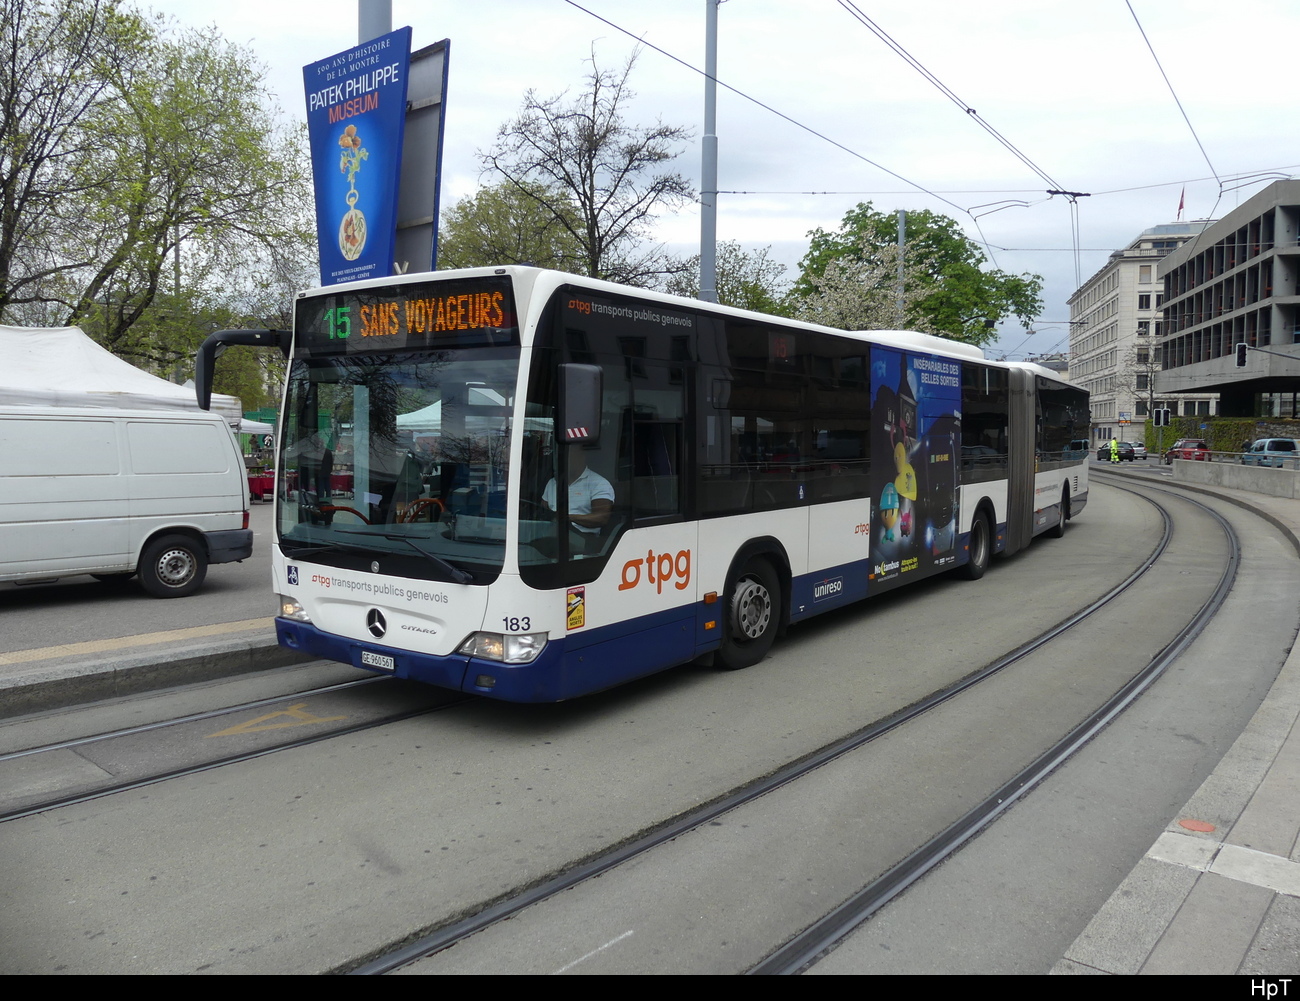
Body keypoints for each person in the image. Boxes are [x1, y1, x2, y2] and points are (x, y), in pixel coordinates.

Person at [543, 447, 614, 550]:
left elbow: (602, 518)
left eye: (569, 456)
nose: (563, 460)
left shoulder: (599, 483)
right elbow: (543, 509)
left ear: (582, 457)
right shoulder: (552, 482)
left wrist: (568, 517)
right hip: (552, 533)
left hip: (583, 538)